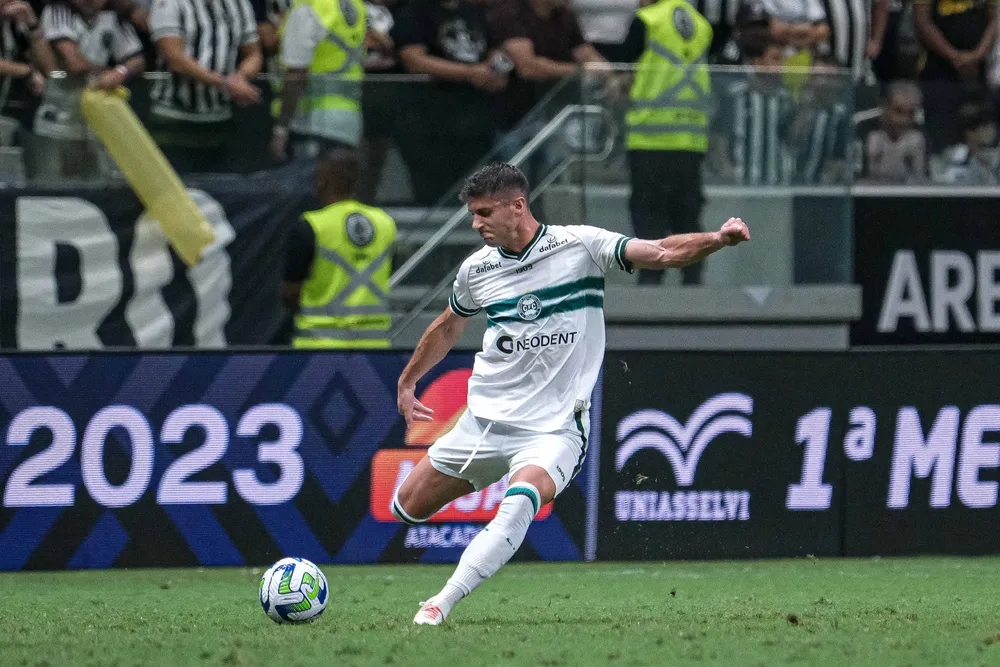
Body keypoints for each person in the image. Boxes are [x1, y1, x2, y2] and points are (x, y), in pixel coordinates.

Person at [394, 162, 750, 625]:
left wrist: (717, 240)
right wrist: (408, 379)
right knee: (407, 508)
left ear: (517, 206)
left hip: (554, 428)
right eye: (473, 214)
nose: (476, 224)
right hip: (483, 422)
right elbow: (447, 325)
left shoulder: (580, 246)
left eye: (484, 213)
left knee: (520, 500)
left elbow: (662, 252)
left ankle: (441, 602)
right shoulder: (476, 270)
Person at [619, 0, 712, 286]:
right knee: (688, 216)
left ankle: (651, 285)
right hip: (691, 139)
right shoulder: (701, 24)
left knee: (650, 216)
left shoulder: (648, 20)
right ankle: (694, 285)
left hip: (650, 137)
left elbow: (623, 70)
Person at [391, 0, 508, 204]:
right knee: (434, 192)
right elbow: (413, 59)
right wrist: (470, 73)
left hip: (476, 118)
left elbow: (495, 47)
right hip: (428, 121)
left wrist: (495, 67)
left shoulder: (474, 12)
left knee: (478, 187)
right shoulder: (414, 13)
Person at [282, 148, 397, 348]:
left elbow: (290, 292)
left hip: (316, 348)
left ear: (322, 180)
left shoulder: (311, 225)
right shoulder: (385, 223)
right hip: (374, 350)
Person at [149, 0, 263, 173]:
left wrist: (241, 77)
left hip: (219, 118)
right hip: (174, 119)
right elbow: (175, 59)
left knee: (218, 190)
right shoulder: (169, 3)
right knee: (173, 189)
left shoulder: (239, 4)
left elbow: (254, 53)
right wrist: (224, 83)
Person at [269, 0, 366, 161]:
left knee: (308, 184)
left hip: (310, 122)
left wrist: (280, 129)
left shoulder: (309, 7)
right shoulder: (355, 4)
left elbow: (297, 73)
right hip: (349, 121)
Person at [914, 0, 997, 152]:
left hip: (978, 70)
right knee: (942, 136)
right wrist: (954, 56)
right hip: (938, 70)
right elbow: (922, 20)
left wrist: (977, 55)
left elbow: (994, 19)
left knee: (981, 130)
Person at [862, 80, 926, 182]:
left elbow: (923, 179)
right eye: (898, 111)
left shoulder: (920, 136)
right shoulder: (864, 131)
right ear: (884, 107)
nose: (904, 120)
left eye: (911, 113)